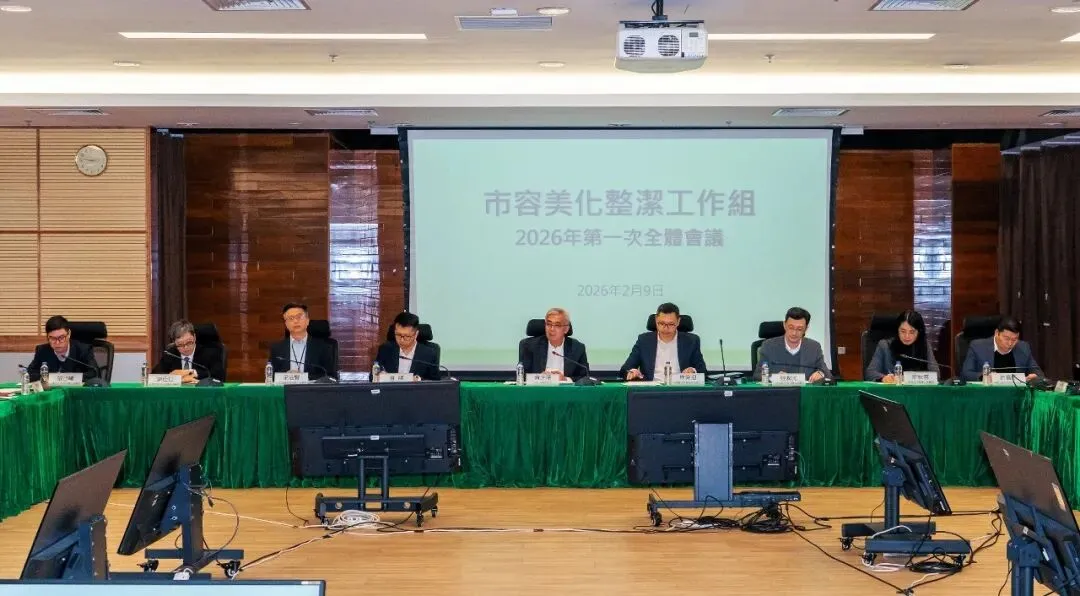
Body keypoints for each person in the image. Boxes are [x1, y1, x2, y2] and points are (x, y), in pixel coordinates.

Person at [620, 302, 707, 381]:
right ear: (656, 320)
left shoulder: (691, 341)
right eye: (661, 323)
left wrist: (693, 371)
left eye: (671, 324)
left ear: (678, 321)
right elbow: (625, 369)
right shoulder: (644, 340)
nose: (665, 328)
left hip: (680, 389)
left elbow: (702, 371)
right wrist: (632, 372)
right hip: (651, 389)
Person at [753, 307, 831, 382]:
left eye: (799, 329)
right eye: (791, 327)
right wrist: (775, 377)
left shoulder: (814, 348)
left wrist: (821, 374)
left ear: (806, 329)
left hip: (804, 391)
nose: (794, 333)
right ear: (784, 325)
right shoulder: (768, 346)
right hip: (778, 390)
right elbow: (757, 375)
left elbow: (827, 374)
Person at [268, 303, 338, 381]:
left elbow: (331, 377)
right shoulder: (277, 348)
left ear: (307, 321)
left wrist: (303, 377)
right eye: (291, 318)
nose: (295, 321)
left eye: (299, 317)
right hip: (286, 388)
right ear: (286, 324)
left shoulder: (323, 347)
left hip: (312, 388)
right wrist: (286, 377)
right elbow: (270, 377)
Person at [865, 310, 939, 383]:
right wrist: (883, 378)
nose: (907, 336)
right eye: (903, 331)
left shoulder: (924, 345)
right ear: (897, 330)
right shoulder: (885, 346)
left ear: (919, 332)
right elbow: (870, 373)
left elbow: (936, 374)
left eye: (912, 332)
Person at [962, 317, 1043, 382]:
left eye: (1014, 339)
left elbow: (1038, 373)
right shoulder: (977, 347)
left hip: (1016, 394)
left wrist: (1035, 376)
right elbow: (966, 374)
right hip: (987, 393)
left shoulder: (1023, 347)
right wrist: (983, 376)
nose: (1010, 343)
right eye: (1006, 338)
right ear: (997, 333)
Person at [518, 308, 590, 381]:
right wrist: (539, 378)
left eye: (557, 325)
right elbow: (521, 376)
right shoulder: (529, 346)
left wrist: (565, 379)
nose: (552, 329)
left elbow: (584, 377)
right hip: (538, 387)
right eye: (548, 324)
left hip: (565, 388)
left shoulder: (577, 348)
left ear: (566, 329)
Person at [26, 315, 99, 382]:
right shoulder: (42, 351)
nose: (57, 343)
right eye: (52, 338)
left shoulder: (83, 350)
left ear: (69, 334)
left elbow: (94, 373)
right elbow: (30, 373)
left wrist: (65, 378)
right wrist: (50, 378)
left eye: (61, 338)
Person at [152, 319, 225, 383]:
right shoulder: (170, 354)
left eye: (189, 342)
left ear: (194, 337)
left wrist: (193, 373)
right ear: (174, 342)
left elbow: (218, 375)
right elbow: (154, 376)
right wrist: (173, 377)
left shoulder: (209, 352)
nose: (186, 347)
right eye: (180, 344)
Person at [374, 312, 441, 381]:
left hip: (416, 388)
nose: (402, 340)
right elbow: (373, 375)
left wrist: (419, 379)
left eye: (407, 336)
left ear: (416, 334)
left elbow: (435, 381)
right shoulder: (385, 350)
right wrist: (378, 375)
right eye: (398, 335)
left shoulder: (429, 354)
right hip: (391, 388)